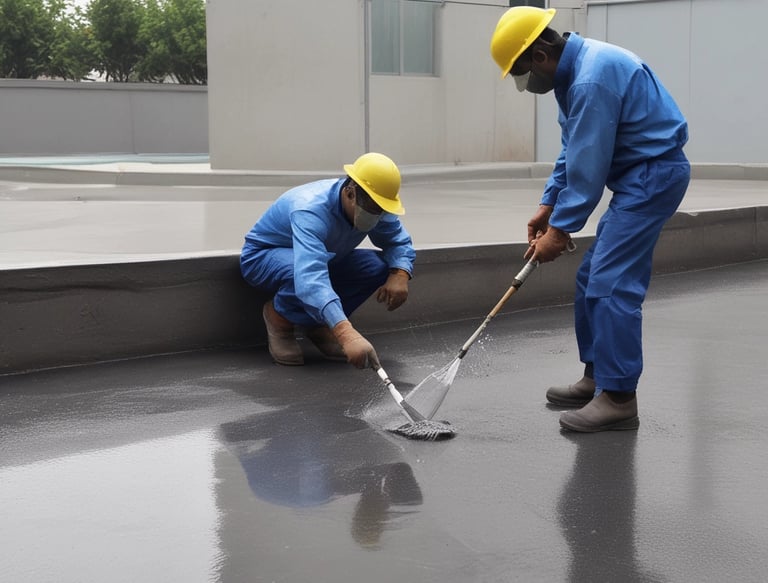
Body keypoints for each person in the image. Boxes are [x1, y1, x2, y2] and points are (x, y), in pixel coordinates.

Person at [490, 7, 690, 432]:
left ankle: (619, 398)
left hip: (653, 175)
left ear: (540, 53)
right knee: (590, 279)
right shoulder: (575, 73)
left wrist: (560, 231)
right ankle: (598, 376)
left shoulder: (592, 78)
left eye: (522, 73)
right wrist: (548, 204)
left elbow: (589, 166)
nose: (526, 85)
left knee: (612, 281)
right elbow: (573, 149)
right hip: (638, 174)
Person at [240, 152, 415, 368]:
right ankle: (279, 319)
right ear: (350, 192)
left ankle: (317, 324)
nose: (377, 216)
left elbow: (397, 241)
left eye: (382, 210)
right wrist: (345, 332)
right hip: (264, 257)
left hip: (323, 257)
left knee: (377, 267)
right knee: (300, 270)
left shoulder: (374, 203)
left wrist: (400, 272)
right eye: (372, 209)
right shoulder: (310, 210)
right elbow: (310, 275)